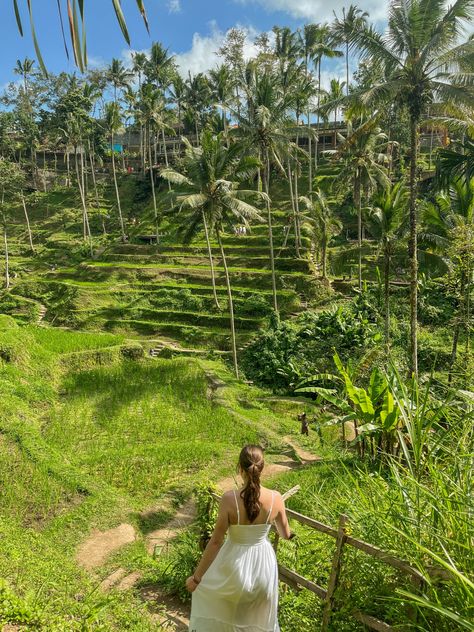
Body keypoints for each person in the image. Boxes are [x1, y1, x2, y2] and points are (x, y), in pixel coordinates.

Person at [187, 445, 293, 632]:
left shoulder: (229, 499)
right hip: (263, 566)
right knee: (256, 618)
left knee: (228, 616)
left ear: (239, 468)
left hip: (233, 564)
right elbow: (285, 534)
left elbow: (216, 542)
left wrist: (196, 579)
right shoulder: (276, 498)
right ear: (263, 467)